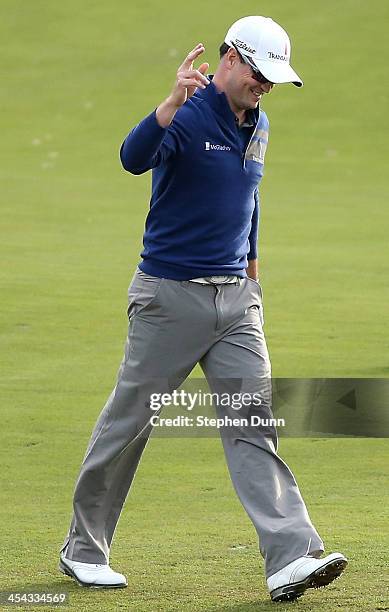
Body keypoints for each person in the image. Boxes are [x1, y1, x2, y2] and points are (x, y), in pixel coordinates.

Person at [59, 16, 347, 602]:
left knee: (253, 424)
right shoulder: (189, 113)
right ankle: (83, 550)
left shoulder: (258, 122)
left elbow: (249, 199)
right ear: (230, 60)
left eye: (273, 80)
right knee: (129, 424)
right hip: (169, 298)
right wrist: (166, 105)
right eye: (259, 75)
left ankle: (291, 556)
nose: (265, 87)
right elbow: (132, 157)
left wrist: (253, 268)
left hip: (237, 302)